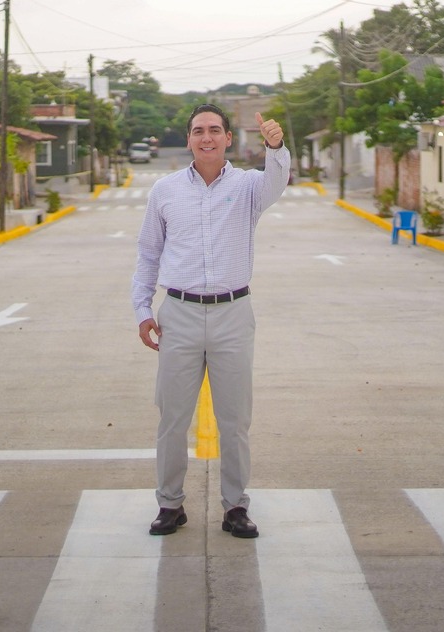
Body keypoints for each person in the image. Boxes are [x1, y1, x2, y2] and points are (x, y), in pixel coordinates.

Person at [131, 104, 290, 538]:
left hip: (233, 314)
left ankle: (236, 506)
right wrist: (144, 309)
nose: (207, 137)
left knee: (235, 420)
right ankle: (170, 504)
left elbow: (278, 181)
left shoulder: (249, 187)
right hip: (178, 314)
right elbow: (148, 253)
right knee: (172, 417)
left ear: (227, 139)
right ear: (188, 139)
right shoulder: (165, 191)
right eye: (199, 131)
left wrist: (276, 146)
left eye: (215, 130)